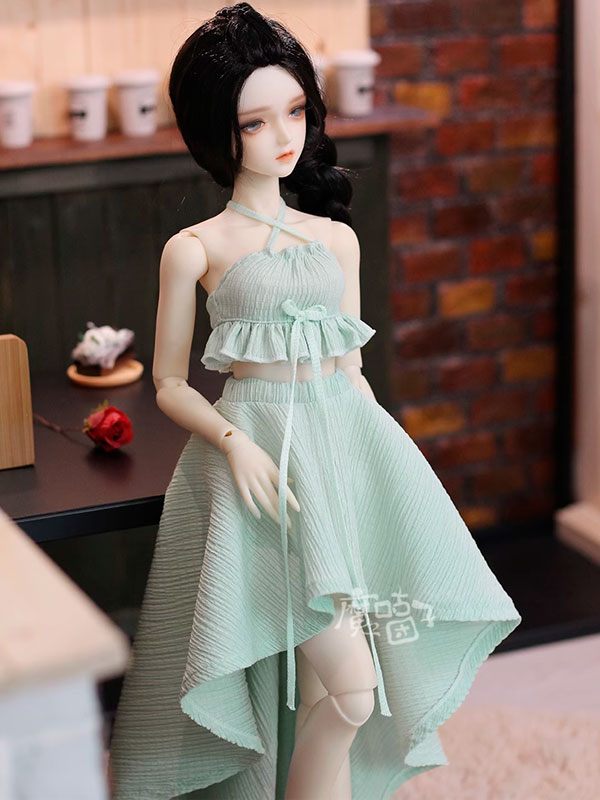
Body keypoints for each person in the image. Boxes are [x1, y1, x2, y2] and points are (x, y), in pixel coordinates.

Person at [108, 4, 522, 799]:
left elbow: (351, 369)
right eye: (254, 122)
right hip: (261, 473)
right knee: (350, 688)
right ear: (219, 133)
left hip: (338, 462)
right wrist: (234, 444)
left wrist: (383, 467)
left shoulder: (335, 238)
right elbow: (168, 384)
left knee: (348, 692)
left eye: (295, 111)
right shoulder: (195, 248)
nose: (282, 136)